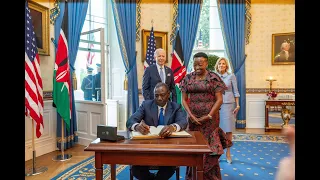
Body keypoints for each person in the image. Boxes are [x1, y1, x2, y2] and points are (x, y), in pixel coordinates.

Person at [180, 52, 232, 180]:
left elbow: (219, 100)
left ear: (207, 63)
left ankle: (209, 176)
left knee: (209, 147)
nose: (197, 67)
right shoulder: (188, 78)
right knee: (195, 147)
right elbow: (183, 99)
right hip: (193, 120)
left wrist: (208, 116)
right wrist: (190, 115)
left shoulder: (213, 78)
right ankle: (193, 175)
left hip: (210, 119)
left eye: (200, 64)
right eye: (195, 64)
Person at [126, 82, 187, 180]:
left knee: (169, 167)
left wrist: (173, 127)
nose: (159, 98)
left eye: (162, 95)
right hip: (147, 148)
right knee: (136, 169)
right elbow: (130, 121)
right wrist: (137, 126)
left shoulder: (176, 107)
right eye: (156, 95)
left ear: (168, 95)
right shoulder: (146, 105)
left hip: (168, 149)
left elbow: (183, 122)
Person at [214, 57, 240, 164]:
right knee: (217, 130)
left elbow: (236, 92)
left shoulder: (231, 76)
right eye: (220, 63)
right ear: (217, 65)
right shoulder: (213, 76)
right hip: (216, 106)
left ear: (226, 66)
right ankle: (218, 152)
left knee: (228, 130)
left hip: (228, 105)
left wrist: (237, 105)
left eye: (223, 64)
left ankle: (228, 153)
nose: (221, 65)